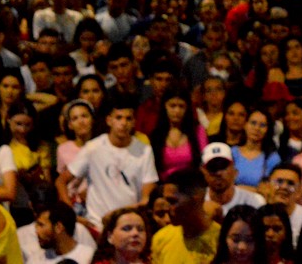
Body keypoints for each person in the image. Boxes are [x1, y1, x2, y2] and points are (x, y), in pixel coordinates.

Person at [57, 93, 159, 233]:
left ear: (134, 122)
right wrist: (72, 215)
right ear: (109, 120)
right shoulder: (93, 148)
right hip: (96, 225)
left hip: (129, 226)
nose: (123, 123)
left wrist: (118, 215)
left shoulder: (144, 151)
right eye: (118, 118)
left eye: (128, 118)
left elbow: (146, 197)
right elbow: (61, 182)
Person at [149, 169, 221, 264]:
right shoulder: (161, 239)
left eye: (173, 201)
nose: (167, 208)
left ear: (196, 198)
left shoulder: (221, 240)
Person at [149, 87, 207, 180]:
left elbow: (204, 164)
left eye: (181, 106)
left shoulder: (198, 131)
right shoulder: (156, 135)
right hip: (165, 186)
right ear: (165, 106)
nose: (177, 111)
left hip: (192, 185)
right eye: (172, 106)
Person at [199, 142, 265, 222]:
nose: (218, 173)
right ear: (203, 171)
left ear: (233, 169)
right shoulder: (196, 205)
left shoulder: (254, 201)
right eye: (213, 167)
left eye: (223, 166)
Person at [56, 99, 97, 217]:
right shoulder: (63, 149)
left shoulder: (102, 146)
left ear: (92, 119)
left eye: (84, 116)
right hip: (74, 204)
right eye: (75, 118)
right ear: (69, 125)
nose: (81, 121)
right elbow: (61, 181)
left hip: (98, 202)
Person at [260, 162, 302, 249]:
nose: (284, 187)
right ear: (267, 185)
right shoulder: (257, 216)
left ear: (299, 190)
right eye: (279, 182)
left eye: (290, 184)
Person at [29, 201, 97, 264]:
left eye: (41, 225)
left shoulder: (89, 258)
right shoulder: (35, 260)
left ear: (58, 227)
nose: (36, 231)